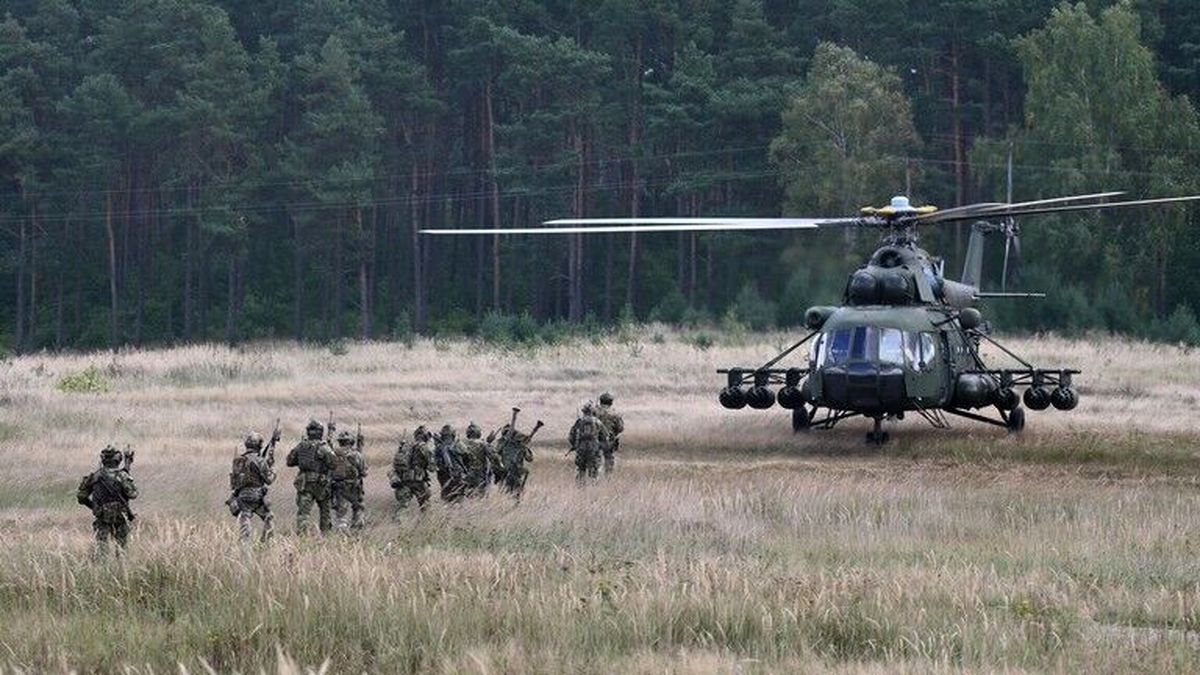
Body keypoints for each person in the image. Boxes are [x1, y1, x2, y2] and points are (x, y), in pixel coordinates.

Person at [76, 445, 138, 554]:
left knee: (101, 549)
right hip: (121, 517)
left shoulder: (95, 476)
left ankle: (101, 569)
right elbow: (133, 494)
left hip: (101, 517)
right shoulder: (122, 476)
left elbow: (81, 497)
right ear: (118, 460)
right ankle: (121, 570)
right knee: (122, 550)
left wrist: (94, 507)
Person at [227, 428, 280, 545]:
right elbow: (269, 480)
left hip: (242, 496)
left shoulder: (239, 460)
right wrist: (273, 470)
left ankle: (245, 546)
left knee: (245, 520)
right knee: (269, 517)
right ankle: (265, 544)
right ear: (259, 446)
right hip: (257, 496)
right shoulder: (260, 461)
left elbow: (234, 482)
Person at [285, 419, 337, 535]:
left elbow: (289, 461)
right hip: (321, 485)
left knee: (303, 514)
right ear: (320, 432)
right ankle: (326, 536)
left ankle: (302, 538)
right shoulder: (324, 447)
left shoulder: (301, 446)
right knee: (325, 512)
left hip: (305, 484)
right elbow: (333, 464)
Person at [489, 417, 541, 500]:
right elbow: (529, 459)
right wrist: (525, 448)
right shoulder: (520, 446)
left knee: (504, 493)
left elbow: (495, 453)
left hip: (506, 472)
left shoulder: (502, 443)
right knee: (515, 494)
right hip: (515, 473)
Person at [390, 426, 435, 512]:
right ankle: (428, 524)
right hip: (418, 481)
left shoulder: (405, 446)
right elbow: (432, 468)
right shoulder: (424, 447)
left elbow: (396, 463)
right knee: (425, 505)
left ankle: (399, 523)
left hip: (403, 480)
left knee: (403, 506)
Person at [330, 429, 367, 530]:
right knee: (358, 507)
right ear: (351, 442)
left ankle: (341, 533)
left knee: (341, 512)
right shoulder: (356, 454)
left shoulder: (333, 453)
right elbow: (364, 472)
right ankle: (356, 530)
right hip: (354, 486)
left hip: (339, 486)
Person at [569, 402, 610, 485]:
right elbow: (605, 437)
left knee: (581, 470)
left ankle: (580, 488)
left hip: (581, 449)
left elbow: (571, 436)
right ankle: (594, 488)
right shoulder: (598, 422)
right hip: (594, 449)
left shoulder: (579, 421)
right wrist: (601, 447)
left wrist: (575, 446)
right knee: (594, 471)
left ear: (584, 411)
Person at [460, 422, 498, 499]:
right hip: (480, 474)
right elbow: (493, 456)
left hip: (466, 473)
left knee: (468, 495)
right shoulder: (483, 444)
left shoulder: (461, 443)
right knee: (481, 496)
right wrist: (489, 443)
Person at [434, 424, 467, 502]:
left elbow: (436, 461)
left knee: (447, 497)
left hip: (444, 475)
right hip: (457, 474)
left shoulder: (438, 447)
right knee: (459, 497)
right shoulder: (458, 444)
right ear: (453, 435)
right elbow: (467, 455)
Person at [596, 392, 625, 475]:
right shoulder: (615, 414)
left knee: (597, 461)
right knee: (609, 461)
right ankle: (608, 479)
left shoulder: (594, 412)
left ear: (600, 401)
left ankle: (596, 478)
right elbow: (620, 428)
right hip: (609, 441)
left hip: (596, 441)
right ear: (611, 402)